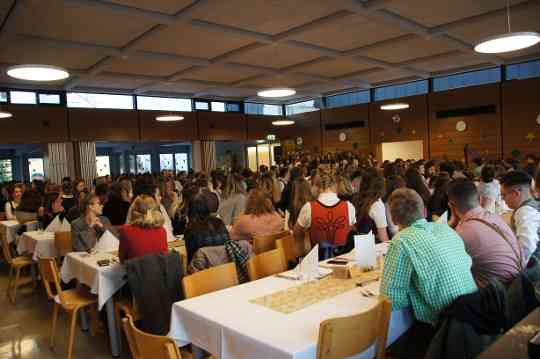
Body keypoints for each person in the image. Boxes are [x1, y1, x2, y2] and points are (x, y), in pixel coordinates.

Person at [381, 188, 477, 328]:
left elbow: (392, 299)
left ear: (394, 219)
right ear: (424, 211)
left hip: (447, 325)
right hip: (474, 311)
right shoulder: (445, 229)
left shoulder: (402, 241)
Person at [447, 179, 522, 287]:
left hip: (498, 295)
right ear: (479, 198)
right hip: (518, 283)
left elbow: (448, 263)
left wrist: (453, 221)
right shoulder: (495, 217)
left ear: (452, 206)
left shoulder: (462, 232)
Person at [294, 173, 356, 259]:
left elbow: (297, 233)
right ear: (336, 187)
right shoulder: (349, 206)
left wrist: (303, 255)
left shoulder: (308, 207)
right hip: (344, 261)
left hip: (318, 263)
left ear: (317, 187)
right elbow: (351, 231)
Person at [500, 171, 540, 264]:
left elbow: (526, 246)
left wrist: (512, 268)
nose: (502, 199)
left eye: (504, 195)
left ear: (515, 193)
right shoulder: (534, 204)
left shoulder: (524, 211)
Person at [119, 195, 168, 263]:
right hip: (160, 272)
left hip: (137, 272)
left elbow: (122, 260)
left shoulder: (126, 231)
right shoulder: (162, 230)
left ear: (133, 210)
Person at [184, 193, 229, 263]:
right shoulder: (220, 223)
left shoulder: (192, 230)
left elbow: (190, 258)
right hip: (226, 269)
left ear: (190, 211)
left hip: (202, 271)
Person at [353, 173, 389, 242]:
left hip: (358, 243)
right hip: (371, 245)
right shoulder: (377, 204)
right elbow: (383, 236)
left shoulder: (356, 198)